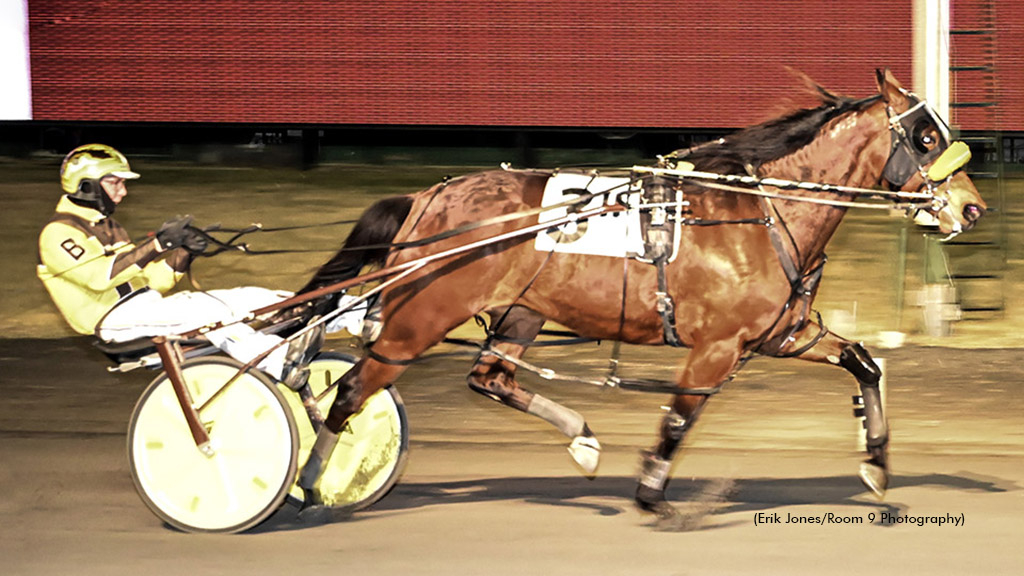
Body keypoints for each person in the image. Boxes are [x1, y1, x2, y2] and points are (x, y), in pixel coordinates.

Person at [37, 144, 291, 344]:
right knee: (212, 314)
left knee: (251, 297)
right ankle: (279, 362)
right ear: (86, 186)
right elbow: (98, 278)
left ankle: (316, 316)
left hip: (145, 306)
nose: (123, 192)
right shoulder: (58, 233)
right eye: (115, 183)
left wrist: (185, 251)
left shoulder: (110, 227)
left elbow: (152, 282)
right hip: (112, 319)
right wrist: (157, 244)